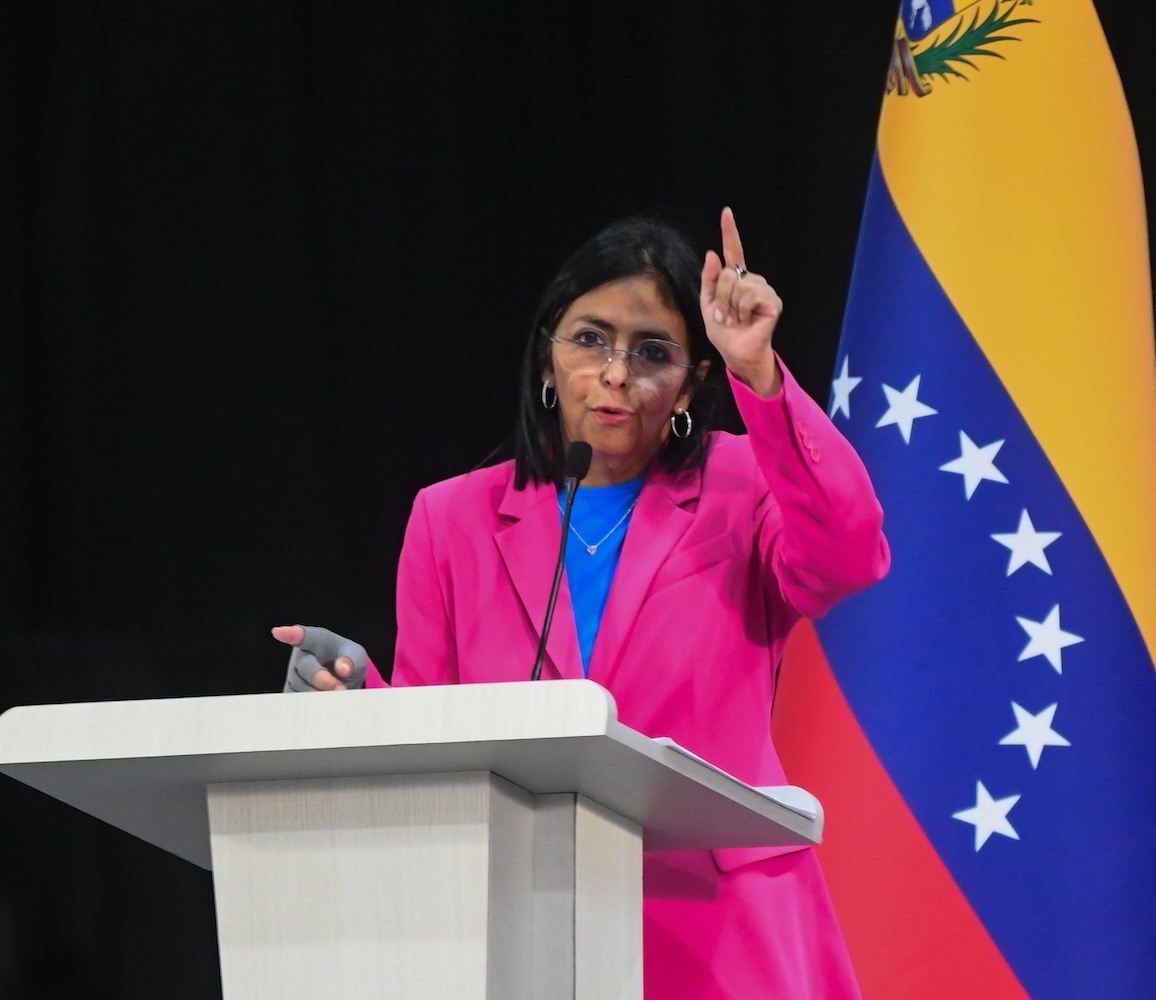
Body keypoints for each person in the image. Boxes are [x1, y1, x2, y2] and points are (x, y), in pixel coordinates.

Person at [272, 208, 890, 999]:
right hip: (527, 922)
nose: (616, 374)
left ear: (691, 382)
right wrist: (360, 700)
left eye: (653, 352)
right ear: (548, 353)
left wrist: (760, 377)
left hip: (720, 931)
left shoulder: (742, 486)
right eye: (591, 339)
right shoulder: (450, 519)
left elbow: (849, 554)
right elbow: (434, 741)